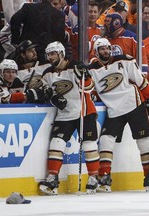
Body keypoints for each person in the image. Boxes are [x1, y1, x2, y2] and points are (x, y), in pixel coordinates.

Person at [86, 38, 149, 192]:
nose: (106, 51)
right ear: (96, 52)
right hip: (114, 111)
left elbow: (141, 81)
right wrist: (81, 74)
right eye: (102, 49)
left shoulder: (124, 60)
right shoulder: (91, 70)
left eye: (108, 48)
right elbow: (89, 89)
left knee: (144, 142)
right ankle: (104, 177)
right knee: (106, 141)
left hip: (134, 105)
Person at [38, 41, 100, 195]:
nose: (50, 57)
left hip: (83, 111)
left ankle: (94, 177)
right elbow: (46, 91)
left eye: (53, 53)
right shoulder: (47, 73)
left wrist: (84, 76)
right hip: (64, 114)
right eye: (48, 54)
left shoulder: (76, 67)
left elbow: (90, 88)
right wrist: (53, 98)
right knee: (56, 143)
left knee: (89, 145)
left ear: (61, 54)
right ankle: (53, 177)